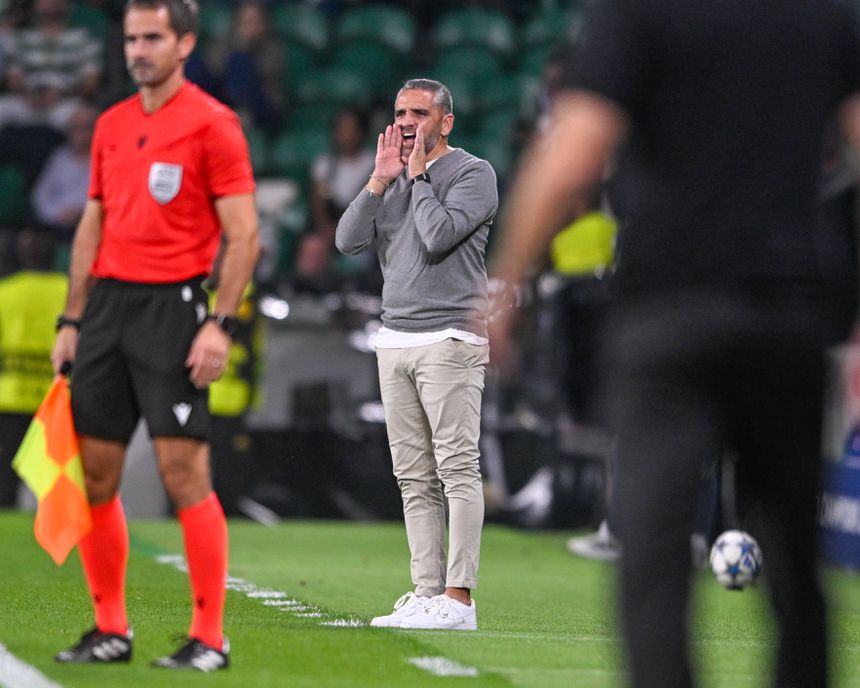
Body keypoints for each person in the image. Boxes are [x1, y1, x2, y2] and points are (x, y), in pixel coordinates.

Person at [490, 1, 860, 686]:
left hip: (667, 313)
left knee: (652, 556)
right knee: (794, 560)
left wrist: (505, 283)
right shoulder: (822, 11)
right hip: (787, 313)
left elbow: (575, 150)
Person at [50, 0, 258, 671]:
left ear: (185, 43)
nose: (139, 50)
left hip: (173, 309)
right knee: (97, 477)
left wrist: (221, 325)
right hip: (106, 308)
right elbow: (92, 225)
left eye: (153, 38)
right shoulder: (110, 124)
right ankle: (110, 628)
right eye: (132, 38)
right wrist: (72, 318)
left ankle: (210, 638)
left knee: (184, 473)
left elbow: (244, 235)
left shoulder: (213, 124)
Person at [336, 78, 497, 630]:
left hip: (450, 337)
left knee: (457, 469)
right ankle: (427, 594)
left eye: (420, 113)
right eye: (401, 112)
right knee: (413, 477)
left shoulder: (474, 174)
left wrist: (419, 175)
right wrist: (380, 180)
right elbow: (347, 240)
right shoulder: (393, 179)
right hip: (395, 337)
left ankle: (459, 599)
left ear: (445, 122)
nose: (407, 122)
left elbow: (436, 235)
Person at [0, 229, 67, 507]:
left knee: (5, 480)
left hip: (10, 398)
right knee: (56, 481)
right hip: (53, 401)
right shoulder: (69, 292)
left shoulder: (6, 292)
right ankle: (58, 539)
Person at [31, 103, 98, 236]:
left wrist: (83, 213)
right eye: (76, 128)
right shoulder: (60, 158)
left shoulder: (107, 158)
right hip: (58, 225)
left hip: (94, 225)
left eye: (86, 128)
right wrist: (58, 215)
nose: (82, 134)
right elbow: (41, 196)